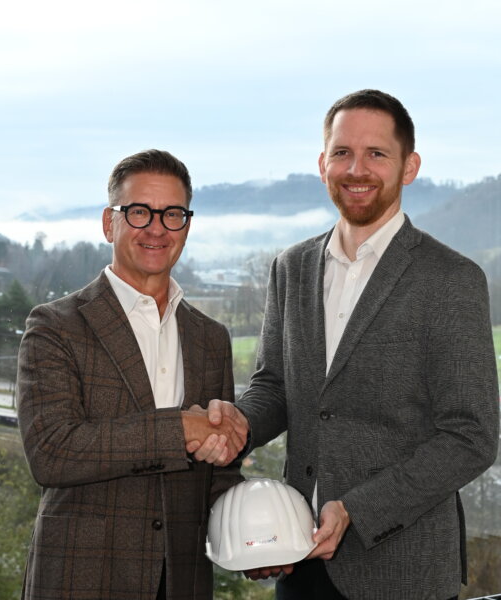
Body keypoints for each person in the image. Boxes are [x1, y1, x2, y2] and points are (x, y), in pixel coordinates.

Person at [189, 90, 499, 599]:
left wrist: (357, 509)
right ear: (322, 164)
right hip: (297, 558)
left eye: (376, 153)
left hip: (403, 573)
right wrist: (236, 425)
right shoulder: (291, 267)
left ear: (409, 167)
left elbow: (471, 437)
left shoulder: (451, 280)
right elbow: (275, 386)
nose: (357, 169)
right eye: (342, 152)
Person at [17, 149, 246, 600]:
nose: (157, 228)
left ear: (186, 226)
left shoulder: (211, 338)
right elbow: (51, 452)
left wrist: (260, 534)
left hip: (181, 583)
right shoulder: (55, 326)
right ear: (110, 223)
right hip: (80, 581)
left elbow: (218, 475)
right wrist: (180, 428)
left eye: (172, 214)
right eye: (140, 211)